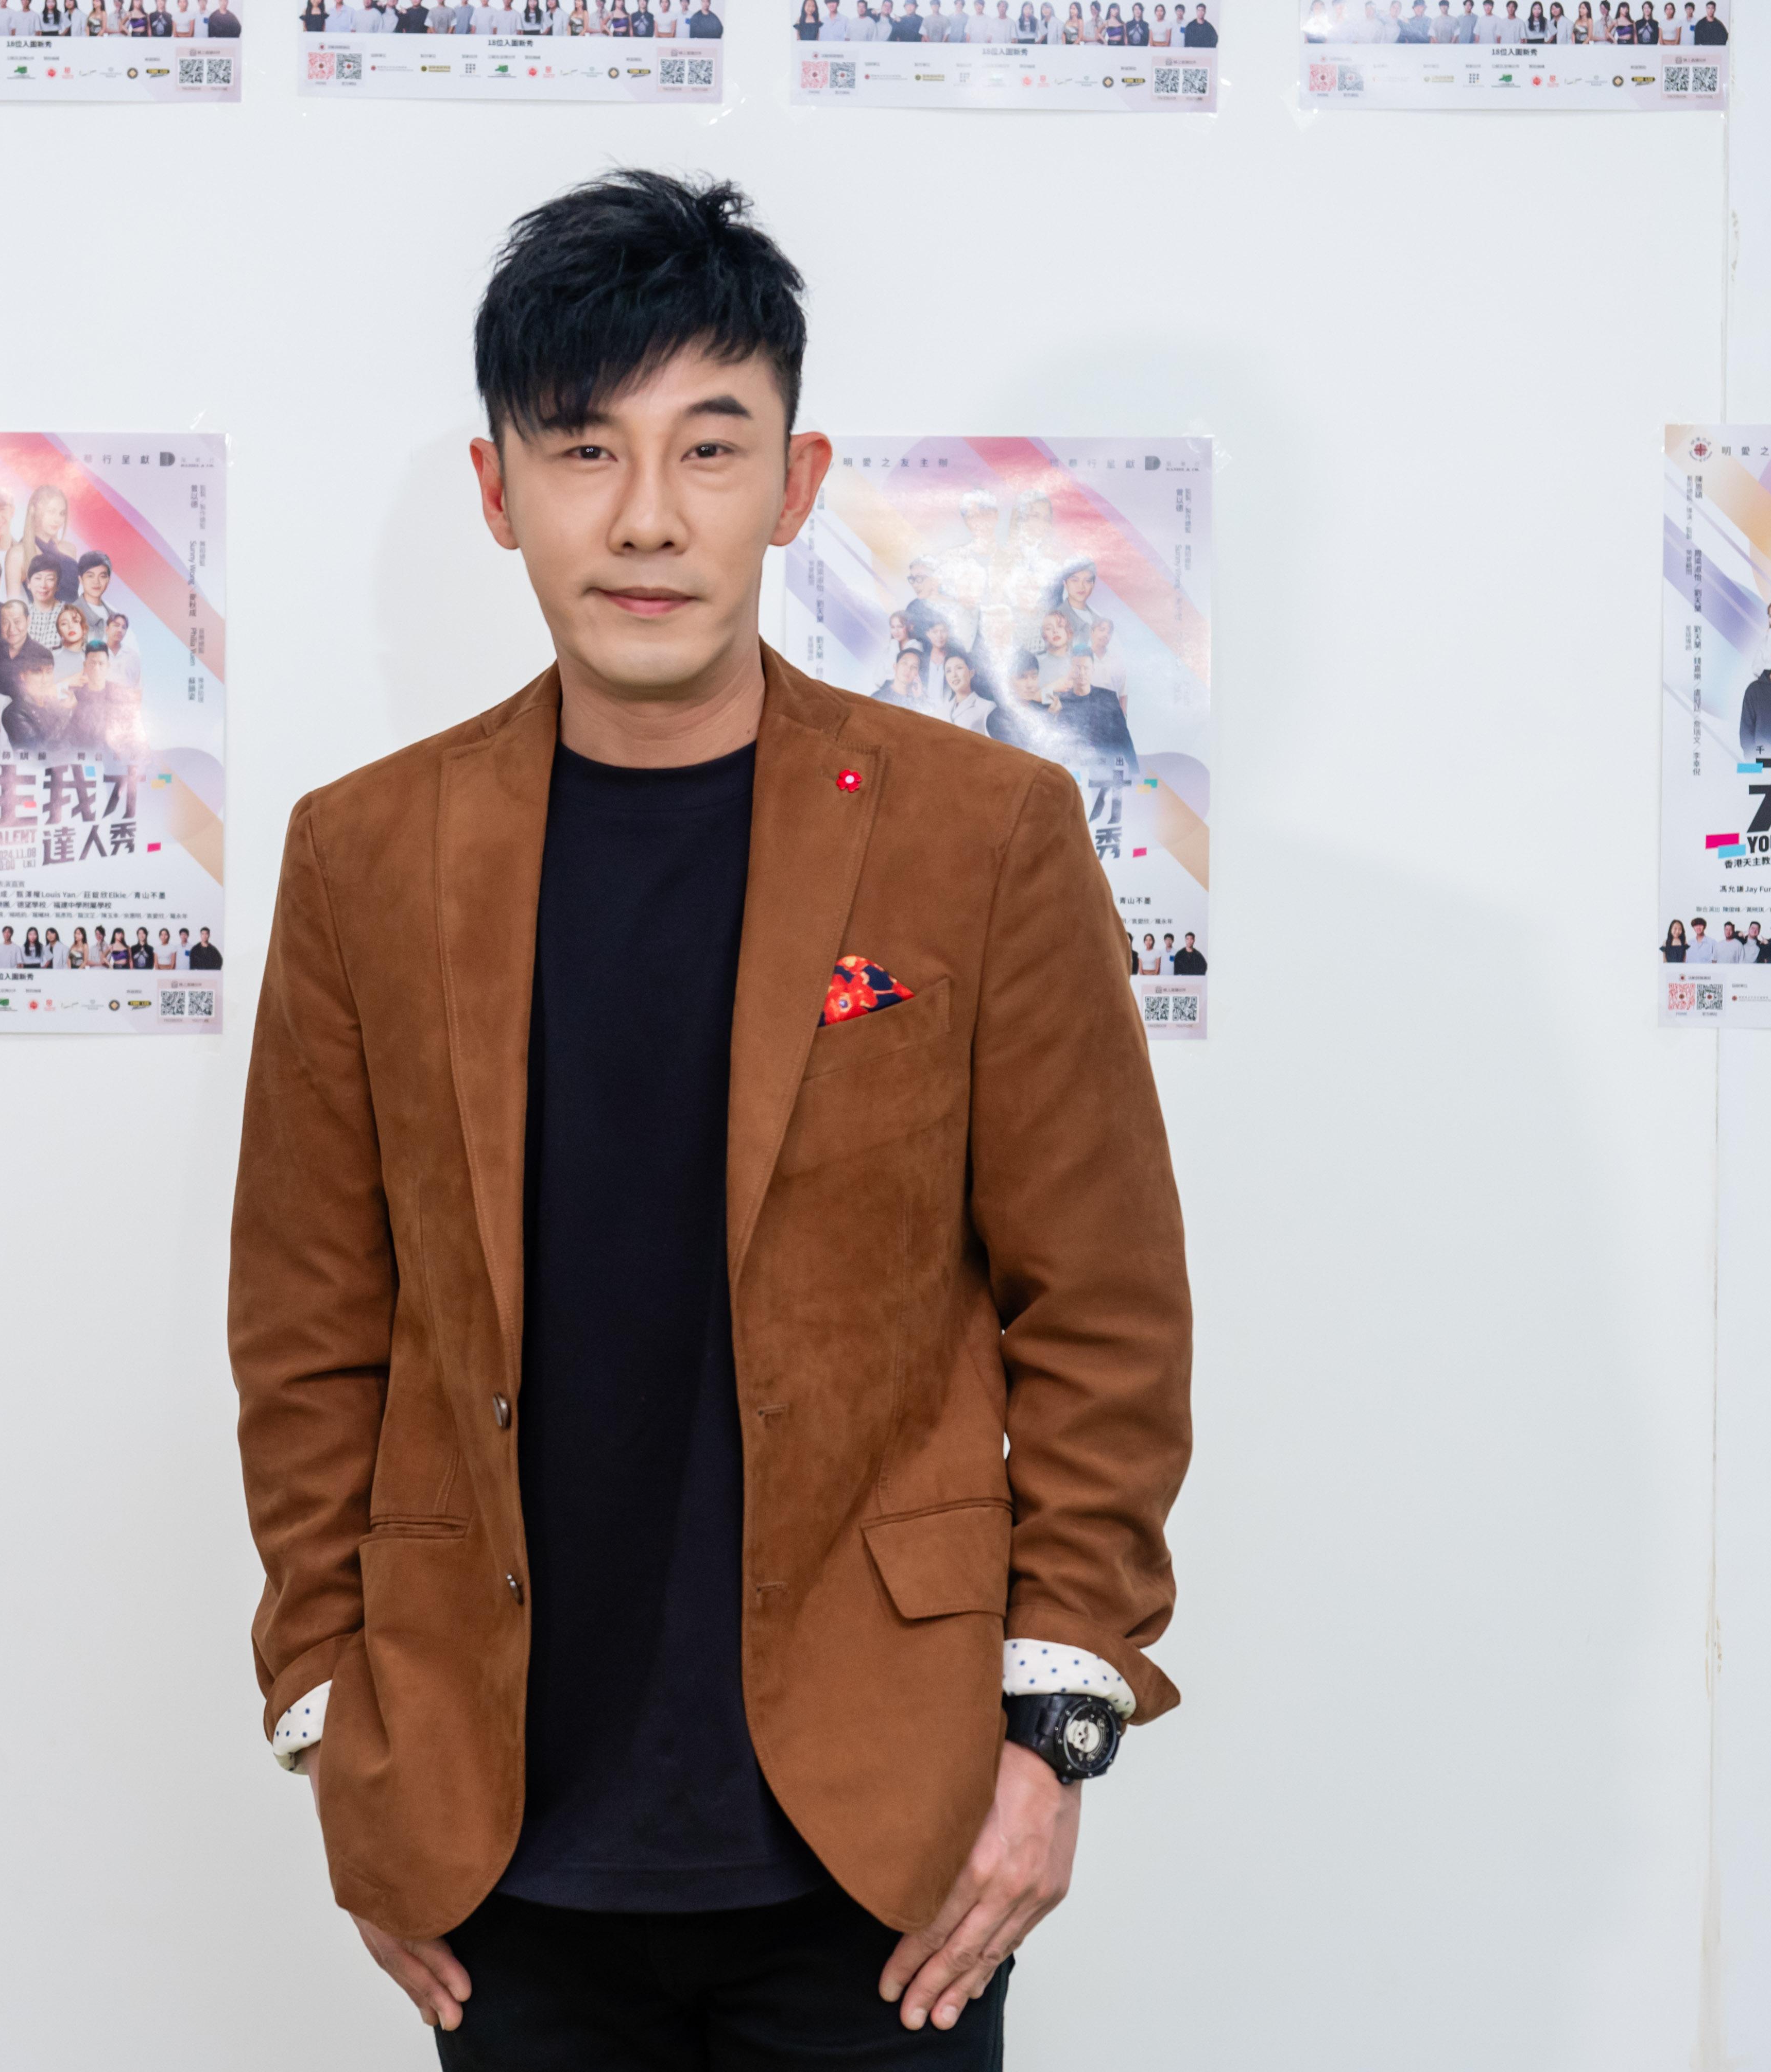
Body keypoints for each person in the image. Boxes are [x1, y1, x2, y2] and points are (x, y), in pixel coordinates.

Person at [229, 171, 1188, 2066]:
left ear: (797, 481)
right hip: (497, 1841)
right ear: (497, 489)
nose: (648, 515)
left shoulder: (980, 836)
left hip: (888, 1842)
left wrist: (1054, 1729)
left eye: (710, 446)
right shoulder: (365, 855)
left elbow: (1101, 1307)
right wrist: (336, 1728)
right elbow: (309, 1331)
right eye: (583, 449)